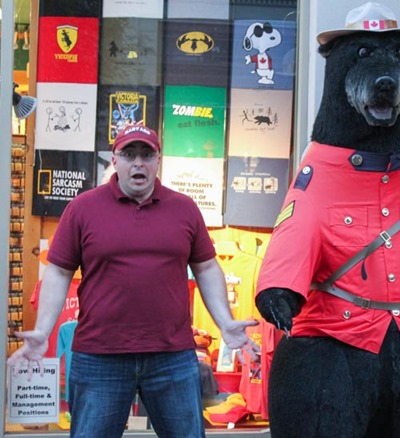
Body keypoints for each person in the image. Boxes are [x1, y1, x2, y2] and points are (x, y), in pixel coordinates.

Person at [7, 125, 259, 438]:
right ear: (115, 160)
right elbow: (59, 272)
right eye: (129, 154)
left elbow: (206, 267)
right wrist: (44, 330)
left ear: (158, 160)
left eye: (146, 155)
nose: (138, 162)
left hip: (171, 356)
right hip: (100, 356)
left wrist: (225, 322)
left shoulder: (184, 209)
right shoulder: (83, 208)